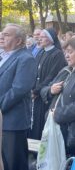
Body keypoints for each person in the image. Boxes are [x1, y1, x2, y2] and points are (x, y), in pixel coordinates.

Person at [0, 24, 37, 170]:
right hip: (3, 120)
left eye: (7, 34)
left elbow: (19, 89)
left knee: (13, 163)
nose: (2, 36)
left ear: (19, 41)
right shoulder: (4, 55)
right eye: (2, 33)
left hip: (13, 122)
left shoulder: (26, 58)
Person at [29, 28, 67, 140]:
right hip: (36, 94)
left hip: (47, 96)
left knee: (42, 123)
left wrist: (37, 91)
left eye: (43, 37)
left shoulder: (58, 54)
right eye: (39, 36)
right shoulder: (41, 53)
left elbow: (52, 76)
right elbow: (34, 72)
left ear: (51, 39)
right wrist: (32, 89)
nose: (40, 39)